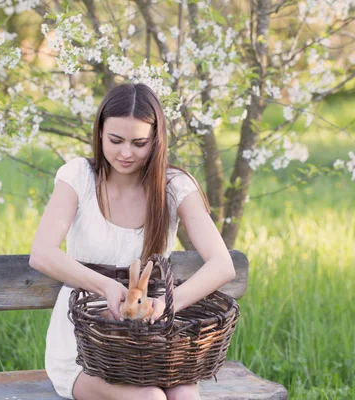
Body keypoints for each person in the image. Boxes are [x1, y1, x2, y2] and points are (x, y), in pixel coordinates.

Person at [29, 83, 236, 400]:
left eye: (139, 143)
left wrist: (168, 304)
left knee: (184, 396)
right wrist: (107, 286)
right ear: (99, 134)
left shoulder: (173, 186)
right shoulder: (79, 177)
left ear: (156, 140)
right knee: (150, 397)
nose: (125, 153)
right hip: (87, 339)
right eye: (115, 140)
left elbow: (222, 265)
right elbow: (42, 254)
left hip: (151, 332)